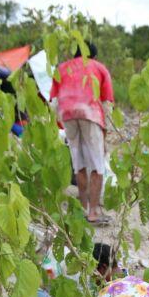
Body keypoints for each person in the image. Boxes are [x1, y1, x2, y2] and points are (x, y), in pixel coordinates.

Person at [50, 42, 114, 225]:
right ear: (93, 56)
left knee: (79, 164)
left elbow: (53, 101)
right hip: (90, 115)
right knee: (97, 166)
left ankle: (82, 209)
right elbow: (106, 103)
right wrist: (104, 133)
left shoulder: (62, 68)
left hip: (67, 116)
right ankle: (93, 213)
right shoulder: (99, 68)